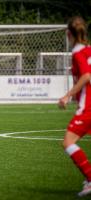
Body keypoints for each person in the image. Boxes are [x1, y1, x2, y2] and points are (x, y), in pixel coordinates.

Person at [58, 16, 91, 197]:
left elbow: (86, 76)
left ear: (68, 34)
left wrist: (66, 95)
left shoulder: (78, 53)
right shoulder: (88, 50)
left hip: (88, 107)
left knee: (68, 142)